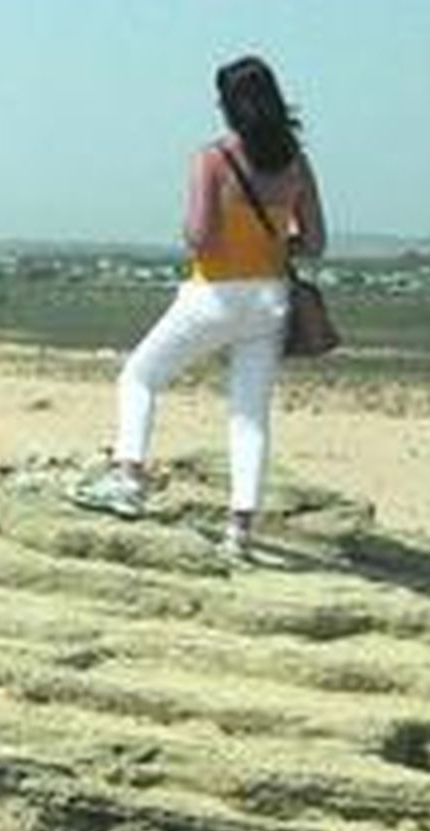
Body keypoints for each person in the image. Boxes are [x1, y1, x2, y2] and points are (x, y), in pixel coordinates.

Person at [75, 56, 326, 559]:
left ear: (229, 106)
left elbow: (198, 235)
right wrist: (276, 241)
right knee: (249, 414)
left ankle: (128, 478)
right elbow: (315, 241)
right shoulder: (296, 162)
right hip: (269, 299)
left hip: (213, 294)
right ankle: (240, 530)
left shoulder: (213, 159)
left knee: (139, 376)